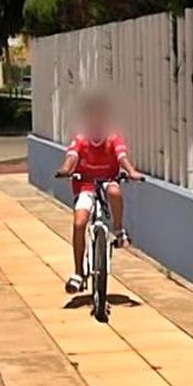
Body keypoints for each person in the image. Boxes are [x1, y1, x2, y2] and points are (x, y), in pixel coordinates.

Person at [56, 91, 142, 294]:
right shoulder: (80, 140)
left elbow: (122, 157)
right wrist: (66, 170)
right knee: (79, 223)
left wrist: (131, 172)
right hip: (85, 185)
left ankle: (119, 230)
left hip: (107, 182)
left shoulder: (113, 139)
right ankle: (78, 273)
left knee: (114, 191)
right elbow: (71, 157)